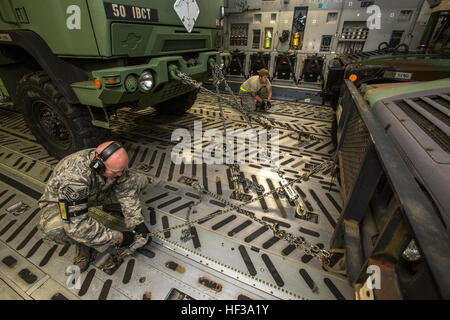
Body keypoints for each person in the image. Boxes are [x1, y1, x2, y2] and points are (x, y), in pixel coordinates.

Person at [38, 141, 151, 272]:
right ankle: (83, 244)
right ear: (99, 167)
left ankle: (112, 206)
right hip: (65, 203)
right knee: (55, 228)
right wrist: (119, 238)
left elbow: (126, 190)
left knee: (138, 181)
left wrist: (136, 223)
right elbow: (76, 226)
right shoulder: (74, 178)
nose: (120, 174)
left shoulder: (109, 161)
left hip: (93, 192)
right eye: (116, 171)